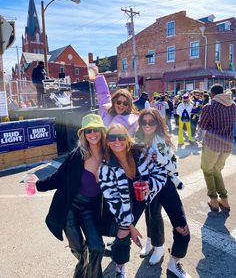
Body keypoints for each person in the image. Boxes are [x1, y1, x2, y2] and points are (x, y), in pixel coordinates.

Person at [26, 114, 106, 278]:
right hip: (69, 208)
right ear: (83, 134)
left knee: (97, 247)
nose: (93, 134)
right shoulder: (77, 155)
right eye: (88, 130)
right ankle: (82, 266)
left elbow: (127, 155)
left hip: (89, 209)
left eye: (96, 129)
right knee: (78, 249)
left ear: (102, 131)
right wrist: (38, 184)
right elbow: (58, 177)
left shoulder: (109, 155)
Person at [99, 123, 168, 278]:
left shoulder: (141, 153)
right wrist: (130, 226)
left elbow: (161, 171)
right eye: (112, 138)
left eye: (121, 137)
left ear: (127, 138)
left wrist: (151, 186)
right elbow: (113, 201)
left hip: (146, 196)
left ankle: (157, 247)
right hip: (124, 204)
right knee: (123, 234)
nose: (117, 141)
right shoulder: (105, 167)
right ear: (107, 142)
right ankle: (119, 268)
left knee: (155, 218)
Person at [136, 108, 191, 278]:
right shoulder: (136, 140)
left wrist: (160, 158)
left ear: (158, 123)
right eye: (143, 122)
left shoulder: (164, 141)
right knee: (151, 216)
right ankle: (153, 244)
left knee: (182, 228)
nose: (147, 125)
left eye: (151, 122)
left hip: (165, 184)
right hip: (145, 185)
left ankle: (174, 263)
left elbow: (174, 167)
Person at [199, 84, 236, 212]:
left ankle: (214, 200)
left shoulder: (209, 107)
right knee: (216, 170)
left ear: (213, 94)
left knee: (207, 170)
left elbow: (202, 126)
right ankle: (224, 200)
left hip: (212, 145)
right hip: (227, 145)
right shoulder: (233, 105)